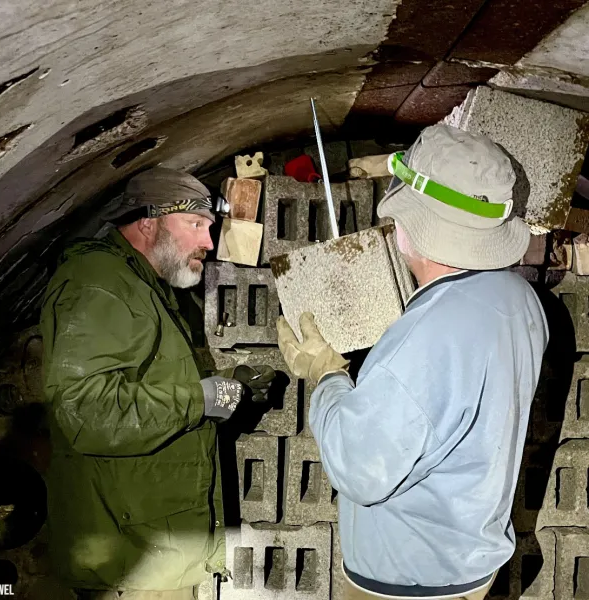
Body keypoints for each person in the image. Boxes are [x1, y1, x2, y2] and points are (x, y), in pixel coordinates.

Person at [276, 124, 548, 600]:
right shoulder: (519, 298)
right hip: (470, 561)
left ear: (409, 224)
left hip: (408, 580)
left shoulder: (425, 339)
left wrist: (327, 375)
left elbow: (359, 469)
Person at [40, 167, 275, 599]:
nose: (207, 241)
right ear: (148, 223)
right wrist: (198, 400)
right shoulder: (98, 283)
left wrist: (227, 387)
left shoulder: (148, 288)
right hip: (129, 563)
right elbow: (83, 412)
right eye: (195, 225)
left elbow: (153, 388)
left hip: (157, 553)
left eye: (209, 226)